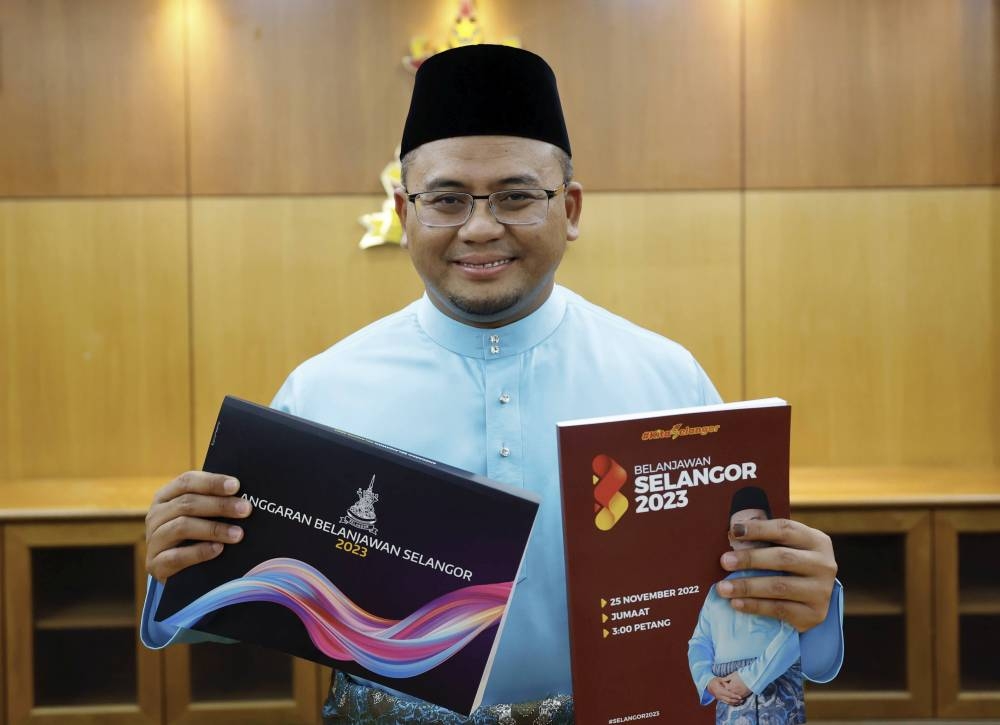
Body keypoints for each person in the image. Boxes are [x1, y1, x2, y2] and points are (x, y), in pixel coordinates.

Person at [141, 44, 842, 724]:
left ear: (569, 208)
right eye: (446, 198)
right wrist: (183, 557)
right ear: (404, 208)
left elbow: (732, 591)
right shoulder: (324, 390)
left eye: (515, 197)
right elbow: (239, 610)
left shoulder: (667, 380)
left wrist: (806, 597)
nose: (480, 228)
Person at [688, 486, 809, 725]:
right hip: (728, 693)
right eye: (739, 527)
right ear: (731, 539)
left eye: (756, 523)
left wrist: (750, 679)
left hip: (778, 685)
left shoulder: (788, 582)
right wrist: (708, 682)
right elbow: (699, 641)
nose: (747, 531)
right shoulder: (716, 593)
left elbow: (795, 633)